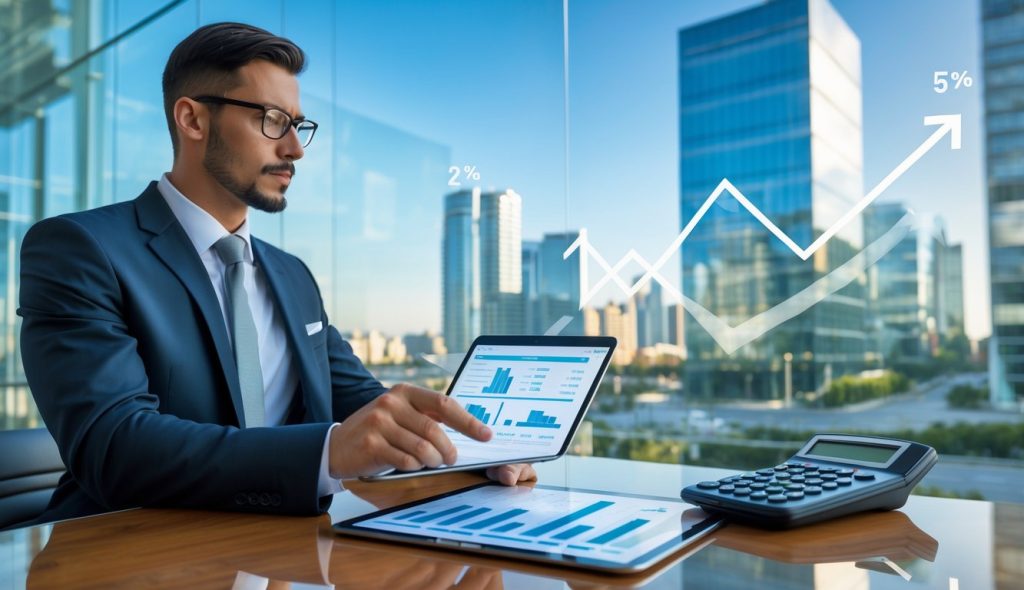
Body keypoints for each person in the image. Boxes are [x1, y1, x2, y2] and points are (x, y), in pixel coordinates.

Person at [17, 21, 535, 525]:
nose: (295, 149)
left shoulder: (292, 276)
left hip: (279, 554)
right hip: (120, 555)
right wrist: (328, 454)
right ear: (193, 120)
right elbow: (114, 446)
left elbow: (365, 407)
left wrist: (465, 449)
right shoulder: (81, 249)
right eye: (271, 120)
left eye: (299, 125)